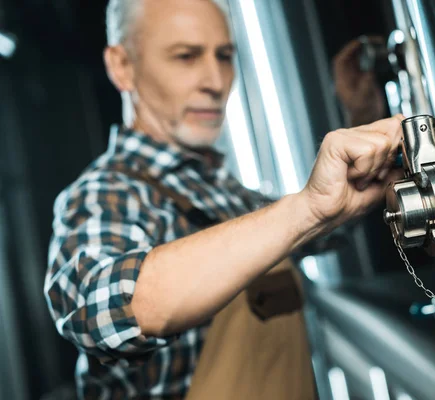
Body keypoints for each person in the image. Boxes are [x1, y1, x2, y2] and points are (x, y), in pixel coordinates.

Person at [44, 0, 404, 398]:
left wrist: (361, 119)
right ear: (122, 66)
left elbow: (323, 227)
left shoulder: (227, 192)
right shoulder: (106, 193)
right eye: (186, 56)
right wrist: (304, 209)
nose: (216, 81)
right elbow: (101, 317)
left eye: (225, 56)